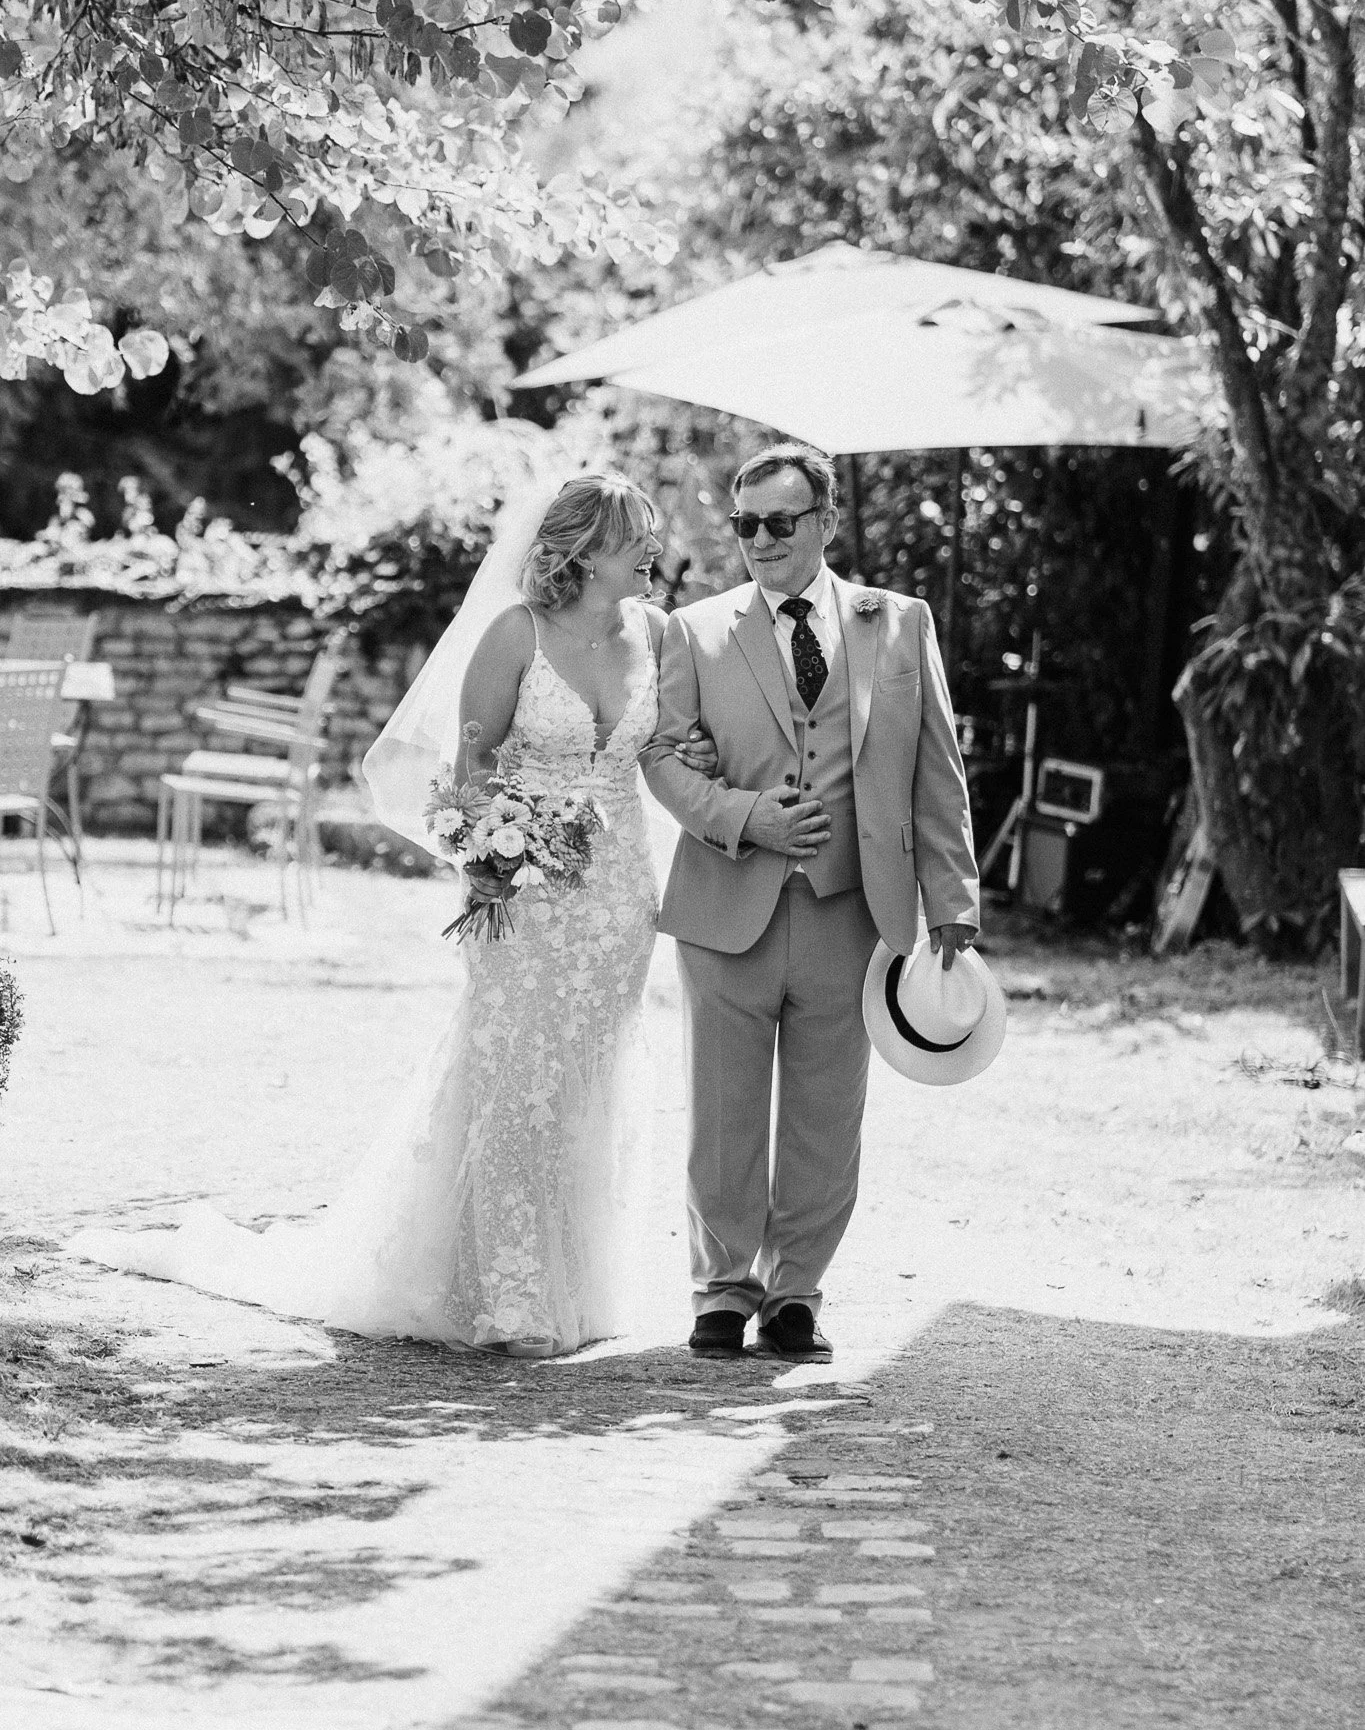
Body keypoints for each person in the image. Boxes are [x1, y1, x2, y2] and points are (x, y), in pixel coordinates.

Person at [70, 474, 714, 1359]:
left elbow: (669, 757)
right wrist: (504, 848)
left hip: (619, 898)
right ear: (583, 548)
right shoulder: (512, 634)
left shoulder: (659, 635)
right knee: (512, 1076)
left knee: (594, 1076)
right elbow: (469, 772)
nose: (653, 550)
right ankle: (510, 1292)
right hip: (524, 894)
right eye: (635, 535)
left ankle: (581, 1284)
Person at [641, 441, 979, 1364]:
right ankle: (720, 1290)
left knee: (827, 1113)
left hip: (851, 908)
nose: (758, 540)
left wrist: (951, 899)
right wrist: (747, 817)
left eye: (780, 523)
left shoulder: (898, 622)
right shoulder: (692, 630)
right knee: (723, 1110)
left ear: (825, 524)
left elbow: (934, 768)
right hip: (725, 908)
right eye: (745, 524)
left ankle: (794, 1295)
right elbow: (664, 756)